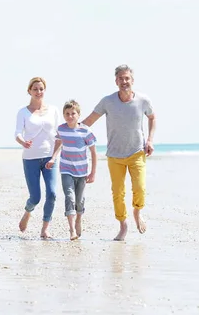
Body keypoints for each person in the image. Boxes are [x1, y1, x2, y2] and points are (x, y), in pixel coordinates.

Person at [81, 65, 156, 241]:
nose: (124, 82)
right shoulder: (108, 101)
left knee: (140, 188)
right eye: (121, 79)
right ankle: (123, 225)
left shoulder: (143, 100)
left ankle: (137, 212)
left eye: (127, 78)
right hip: (114, 155)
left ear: (132, 80)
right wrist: (69, 131)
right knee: (118, 192)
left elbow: (152, 117)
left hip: (137, 152)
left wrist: (150, 140)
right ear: (116, 81)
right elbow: (89, 120)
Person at [15, 77, 61, 239]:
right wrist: (22, 142)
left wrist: (54, 157)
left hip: (49, 158)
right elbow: (17, 133)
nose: (38, 92)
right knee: (35, 197)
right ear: (29, 91)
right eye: (35, 89)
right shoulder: (23, 112)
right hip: (30, 158)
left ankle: (44, 229)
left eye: (41, 89)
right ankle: (27, 212)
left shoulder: (54, 110)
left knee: (53, 193)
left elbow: (59, 135)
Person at [46, 100, 97, 240]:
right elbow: (58, 144)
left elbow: (93, 152)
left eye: (73, 113)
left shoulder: (86, 131)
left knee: (79, 200)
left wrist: (93, 173)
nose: (70, 116)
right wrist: (53, 158)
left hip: (82, 171)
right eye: (67, 114)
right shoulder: (61, 129)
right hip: (66, 169)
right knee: (70, 197)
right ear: (63, 115)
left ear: (78, 115)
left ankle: (79, 220)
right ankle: (72, 229)